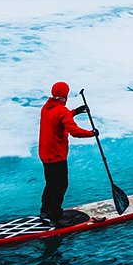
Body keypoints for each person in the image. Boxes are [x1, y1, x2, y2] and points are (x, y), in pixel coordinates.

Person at [39, 81, 98, 225]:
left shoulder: (46, 108)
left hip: (45, 154)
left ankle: (45, 211)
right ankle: (56, 215)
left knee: (50, 184)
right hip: (57, 155)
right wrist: (92, 133)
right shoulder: (62, 111)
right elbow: (75, 132)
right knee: (61, 185)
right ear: (65, 95)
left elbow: (58, 116)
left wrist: (75, 112)